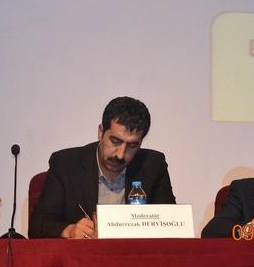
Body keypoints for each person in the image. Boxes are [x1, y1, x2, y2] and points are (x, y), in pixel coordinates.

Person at [29, 96, 176, 239]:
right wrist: (69, 231)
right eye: (115, 141)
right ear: (100, 132)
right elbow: (38, 226)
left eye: (132, 145)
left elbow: (173, 226)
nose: (120, 155)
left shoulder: (153, 166)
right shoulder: (66, 164)